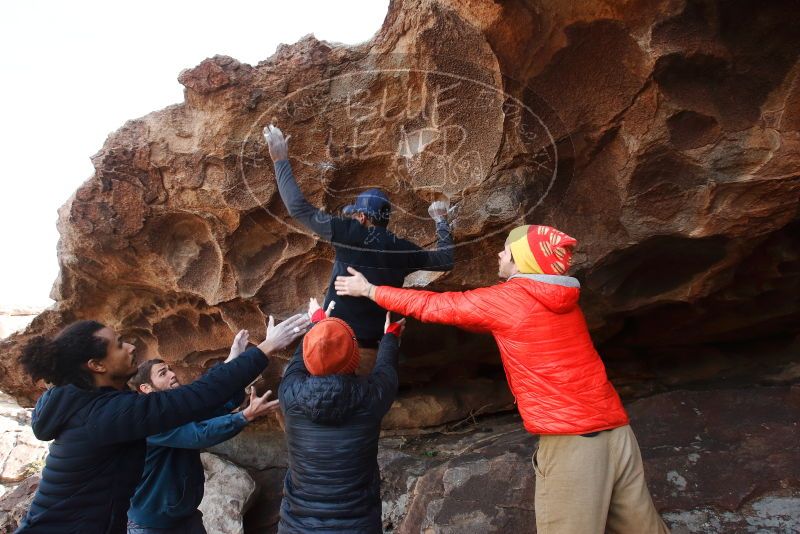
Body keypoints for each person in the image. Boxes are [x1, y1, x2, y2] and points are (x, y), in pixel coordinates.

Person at [335, 224, 671, 534]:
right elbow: (490, 319)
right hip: (616, 431)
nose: (499, 254)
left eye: (506, 250)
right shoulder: (561, 301)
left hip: (573, 442)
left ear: (521, 259)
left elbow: (439, 306)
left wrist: (370, 290)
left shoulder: (511, 300)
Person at [15, 313, 309, 534]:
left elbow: (200, 403)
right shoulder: (107, 415)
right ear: (97, 365)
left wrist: (235, 362)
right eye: (118, 345)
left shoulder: (86, 402)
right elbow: (196, 400)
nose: (130, 347)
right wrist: (267, 348)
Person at [263, 124, 453, 349]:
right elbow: (445, 260)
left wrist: (280, 159)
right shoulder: (402, 249)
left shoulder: (351, 234)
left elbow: (297, 208)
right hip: (373, 349)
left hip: (334, 341)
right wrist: (441, 221)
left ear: (362, 217)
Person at [126, 330, 281, 534]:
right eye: (163, 373)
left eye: (170, 369)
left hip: (186, 516)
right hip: (153, 526)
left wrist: (234, 361)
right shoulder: (150, 420)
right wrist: (244, 416)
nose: (173, 374)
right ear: (146, 388)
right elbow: (199, 434)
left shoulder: (174, 410)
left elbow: (209, 406)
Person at [277, 298, 405, 533]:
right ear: (354, 356)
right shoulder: (371, 398)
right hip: (357, 525)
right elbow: (386, 369)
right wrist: (390, 336)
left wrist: (318, 324)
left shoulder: (290, 394)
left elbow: (299, 360)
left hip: (297, 526)